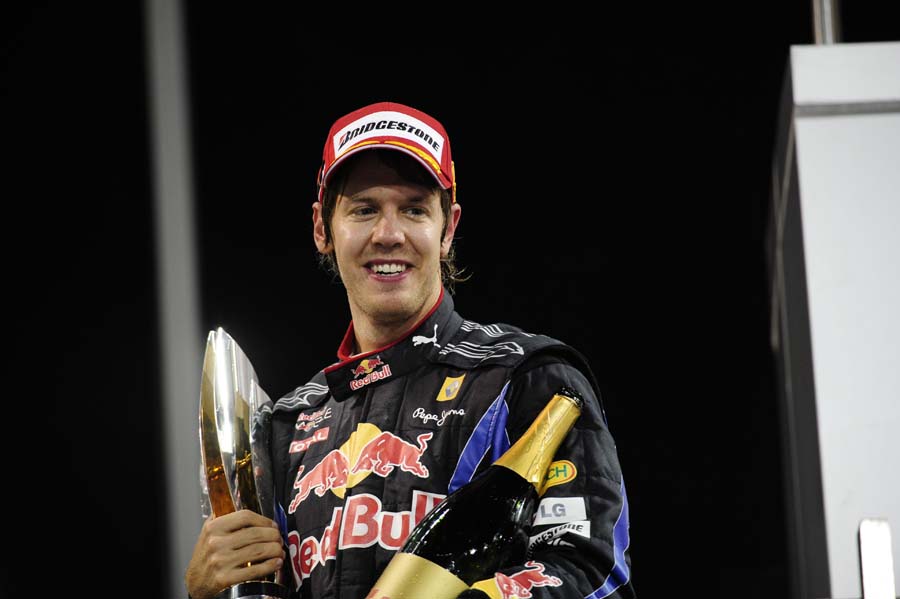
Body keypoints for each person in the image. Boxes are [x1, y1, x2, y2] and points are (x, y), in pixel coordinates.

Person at [185, 101, 636, 599]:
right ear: (322, 229)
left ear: (447, 229)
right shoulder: (286, 423)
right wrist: (212, 591)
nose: (389, 234)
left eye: (415, 209)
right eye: (364, 209)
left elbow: (594, 575)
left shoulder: (528, 379)